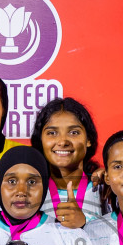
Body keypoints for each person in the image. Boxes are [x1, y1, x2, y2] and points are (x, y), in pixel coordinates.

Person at [32, 96, 103, 227]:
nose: (63, 141)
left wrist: (84, 224)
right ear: (40, 141)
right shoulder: (30, 191)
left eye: (74, 132)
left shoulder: (105, 191)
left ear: (89, 140)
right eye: (52, 133)